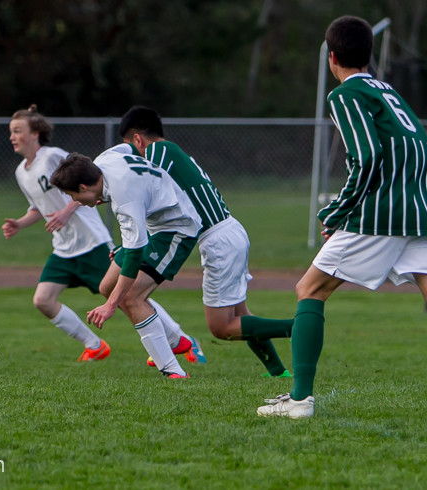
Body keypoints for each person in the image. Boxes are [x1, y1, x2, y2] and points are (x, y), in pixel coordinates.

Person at [254, 15, 427, 418]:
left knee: (310, 290)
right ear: (368, 55)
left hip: (381, 213)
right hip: (417, 210)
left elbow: (366, 157)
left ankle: (299, 401)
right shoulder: (389, 92)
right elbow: (417, 146)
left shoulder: (346, 95)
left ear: (332, 58)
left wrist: (336, 210)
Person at [4, 105, 205, 364]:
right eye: (11, 131)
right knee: (43, 300)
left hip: (91, 242)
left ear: (35, 134)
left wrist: (68, 210)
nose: (12, 136)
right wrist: (20, 223)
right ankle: (94, 345)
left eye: (18, 131)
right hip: (64, 248)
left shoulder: (53, 156)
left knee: (127, 294)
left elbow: (83, 176)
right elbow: (39, 207)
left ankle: (179, 340)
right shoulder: (22, 172)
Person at [118, 106, 292, 377]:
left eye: (130, 147)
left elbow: (144, 194)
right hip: (229, 231)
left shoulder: (155, 153)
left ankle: (299, 327)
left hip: (219, 240)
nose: (133, 156)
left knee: (221, 328)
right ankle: (278, 372)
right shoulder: (173, 151)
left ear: (138, 140)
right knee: (241, 314)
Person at [50, 146, 203, 378]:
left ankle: (173, 371)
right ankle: (175, 340)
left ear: (83, 187)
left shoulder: (125, 200)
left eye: (74, 196)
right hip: (154, 225)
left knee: (129, 297)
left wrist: (111, 305)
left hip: (177, 229)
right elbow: (131, 146)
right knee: (106, 287)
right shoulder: (103, 160)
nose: (76, 202)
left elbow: (133, 257)